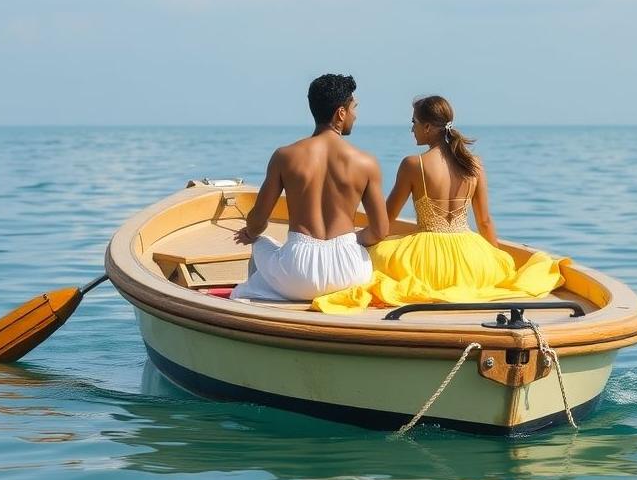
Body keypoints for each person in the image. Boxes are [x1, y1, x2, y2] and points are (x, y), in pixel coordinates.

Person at [312, 95, 565, 314]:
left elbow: (385, 222)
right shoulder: (474, 165)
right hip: (469, 253)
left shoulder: (414, 165)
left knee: (373, 261)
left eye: (414, 122)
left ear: (429, 126)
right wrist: (495, 258)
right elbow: (485, 221)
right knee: (497, 271)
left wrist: (353, 242)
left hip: (425, 258)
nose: (411, 129)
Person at [230, 74, 390, 302]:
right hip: (349, 272)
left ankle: (258, 312)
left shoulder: (284, 156)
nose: (355, 115)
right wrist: (347, 242)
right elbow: (379, 231)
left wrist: (251, 233)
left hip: (298, 272)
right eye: (354, 107)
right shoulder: (366, 162)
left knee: (260, 245)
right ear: (340, 113)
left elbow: (257, 222)